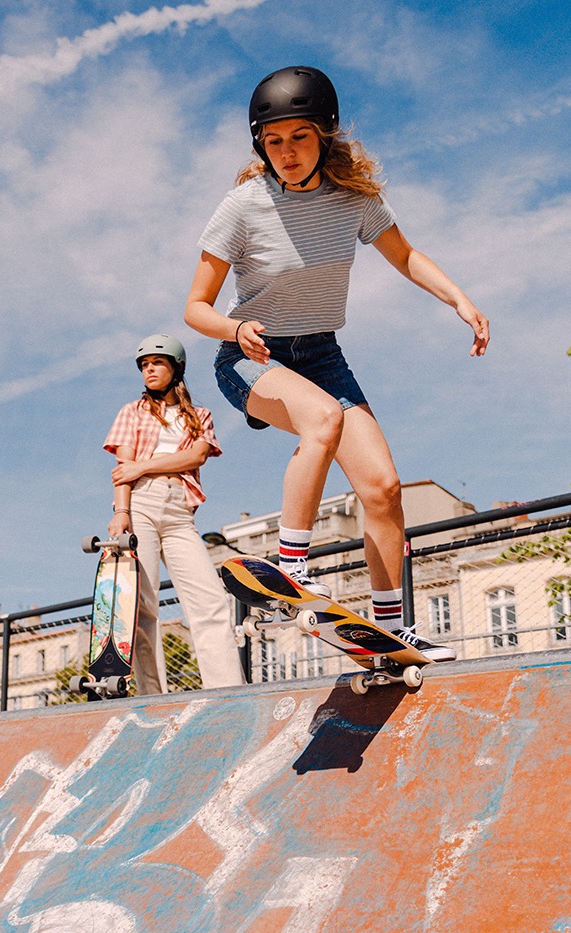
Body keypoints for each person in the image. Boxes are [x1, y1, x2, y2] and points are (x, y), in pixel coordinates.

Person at [183, 65, 489, 662]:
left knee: (383, 488)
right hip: (252, 355)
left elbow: (405, 257)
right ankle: (289, 564)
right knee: (322, 419)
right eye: (273, 142)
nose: (286, 152)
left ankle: (391, 626)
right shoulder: (242, 207)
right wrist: (237, 326)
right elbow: (195, 308)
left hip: (321, 353)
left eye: (298, 137)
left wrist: (461, 299)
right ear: (259, 147)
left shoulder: (355, 200)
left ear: (324, 135)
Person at [103, 333, 245, 695]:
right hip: (141, 506)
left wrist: (143, 465)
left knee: (210, 600)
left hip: (180, 512)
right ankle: (153, 696)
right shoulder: (130, 412)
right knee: (144, 604)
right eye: (144, 365)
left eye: (157, 363)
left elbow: (196, 456)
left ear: (176, 368)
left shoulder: (200, 416)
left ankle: (227, 689)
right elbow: (122, 470)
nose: (149, 371)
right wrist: (121, 512)